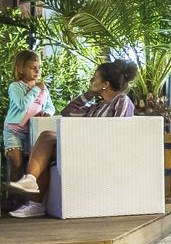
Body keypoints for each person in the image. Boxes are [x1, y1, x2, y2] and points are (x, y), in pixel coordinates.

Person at [9, 60, 136, 217]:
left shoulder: (122, 100)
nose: (92, 80)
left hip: (102, 150)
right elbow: (67, 112)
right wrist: (90, 94)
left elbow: (119, 131)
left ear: (105, 84)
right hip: (85, 146)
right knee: (46, 145)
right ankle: (34, 195)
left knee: (47, 137)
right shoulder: (98, 106)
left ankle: (33, 190)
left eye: (95, 77)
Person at [5, 50, 53, 185]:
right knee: (16, 166)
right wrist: (36, 89)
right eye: (33, 68)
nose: (37, 71)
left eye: (39, 67)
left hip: (32, 132)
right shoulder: (15, 86)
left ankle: (23, 196)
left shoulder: (44, 89)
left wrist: (46, 112)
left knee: (28, 168)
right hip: (14, 132)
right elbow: (22, 105)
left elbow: (50, 106)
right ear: (21, 69)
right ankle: (12, 197)